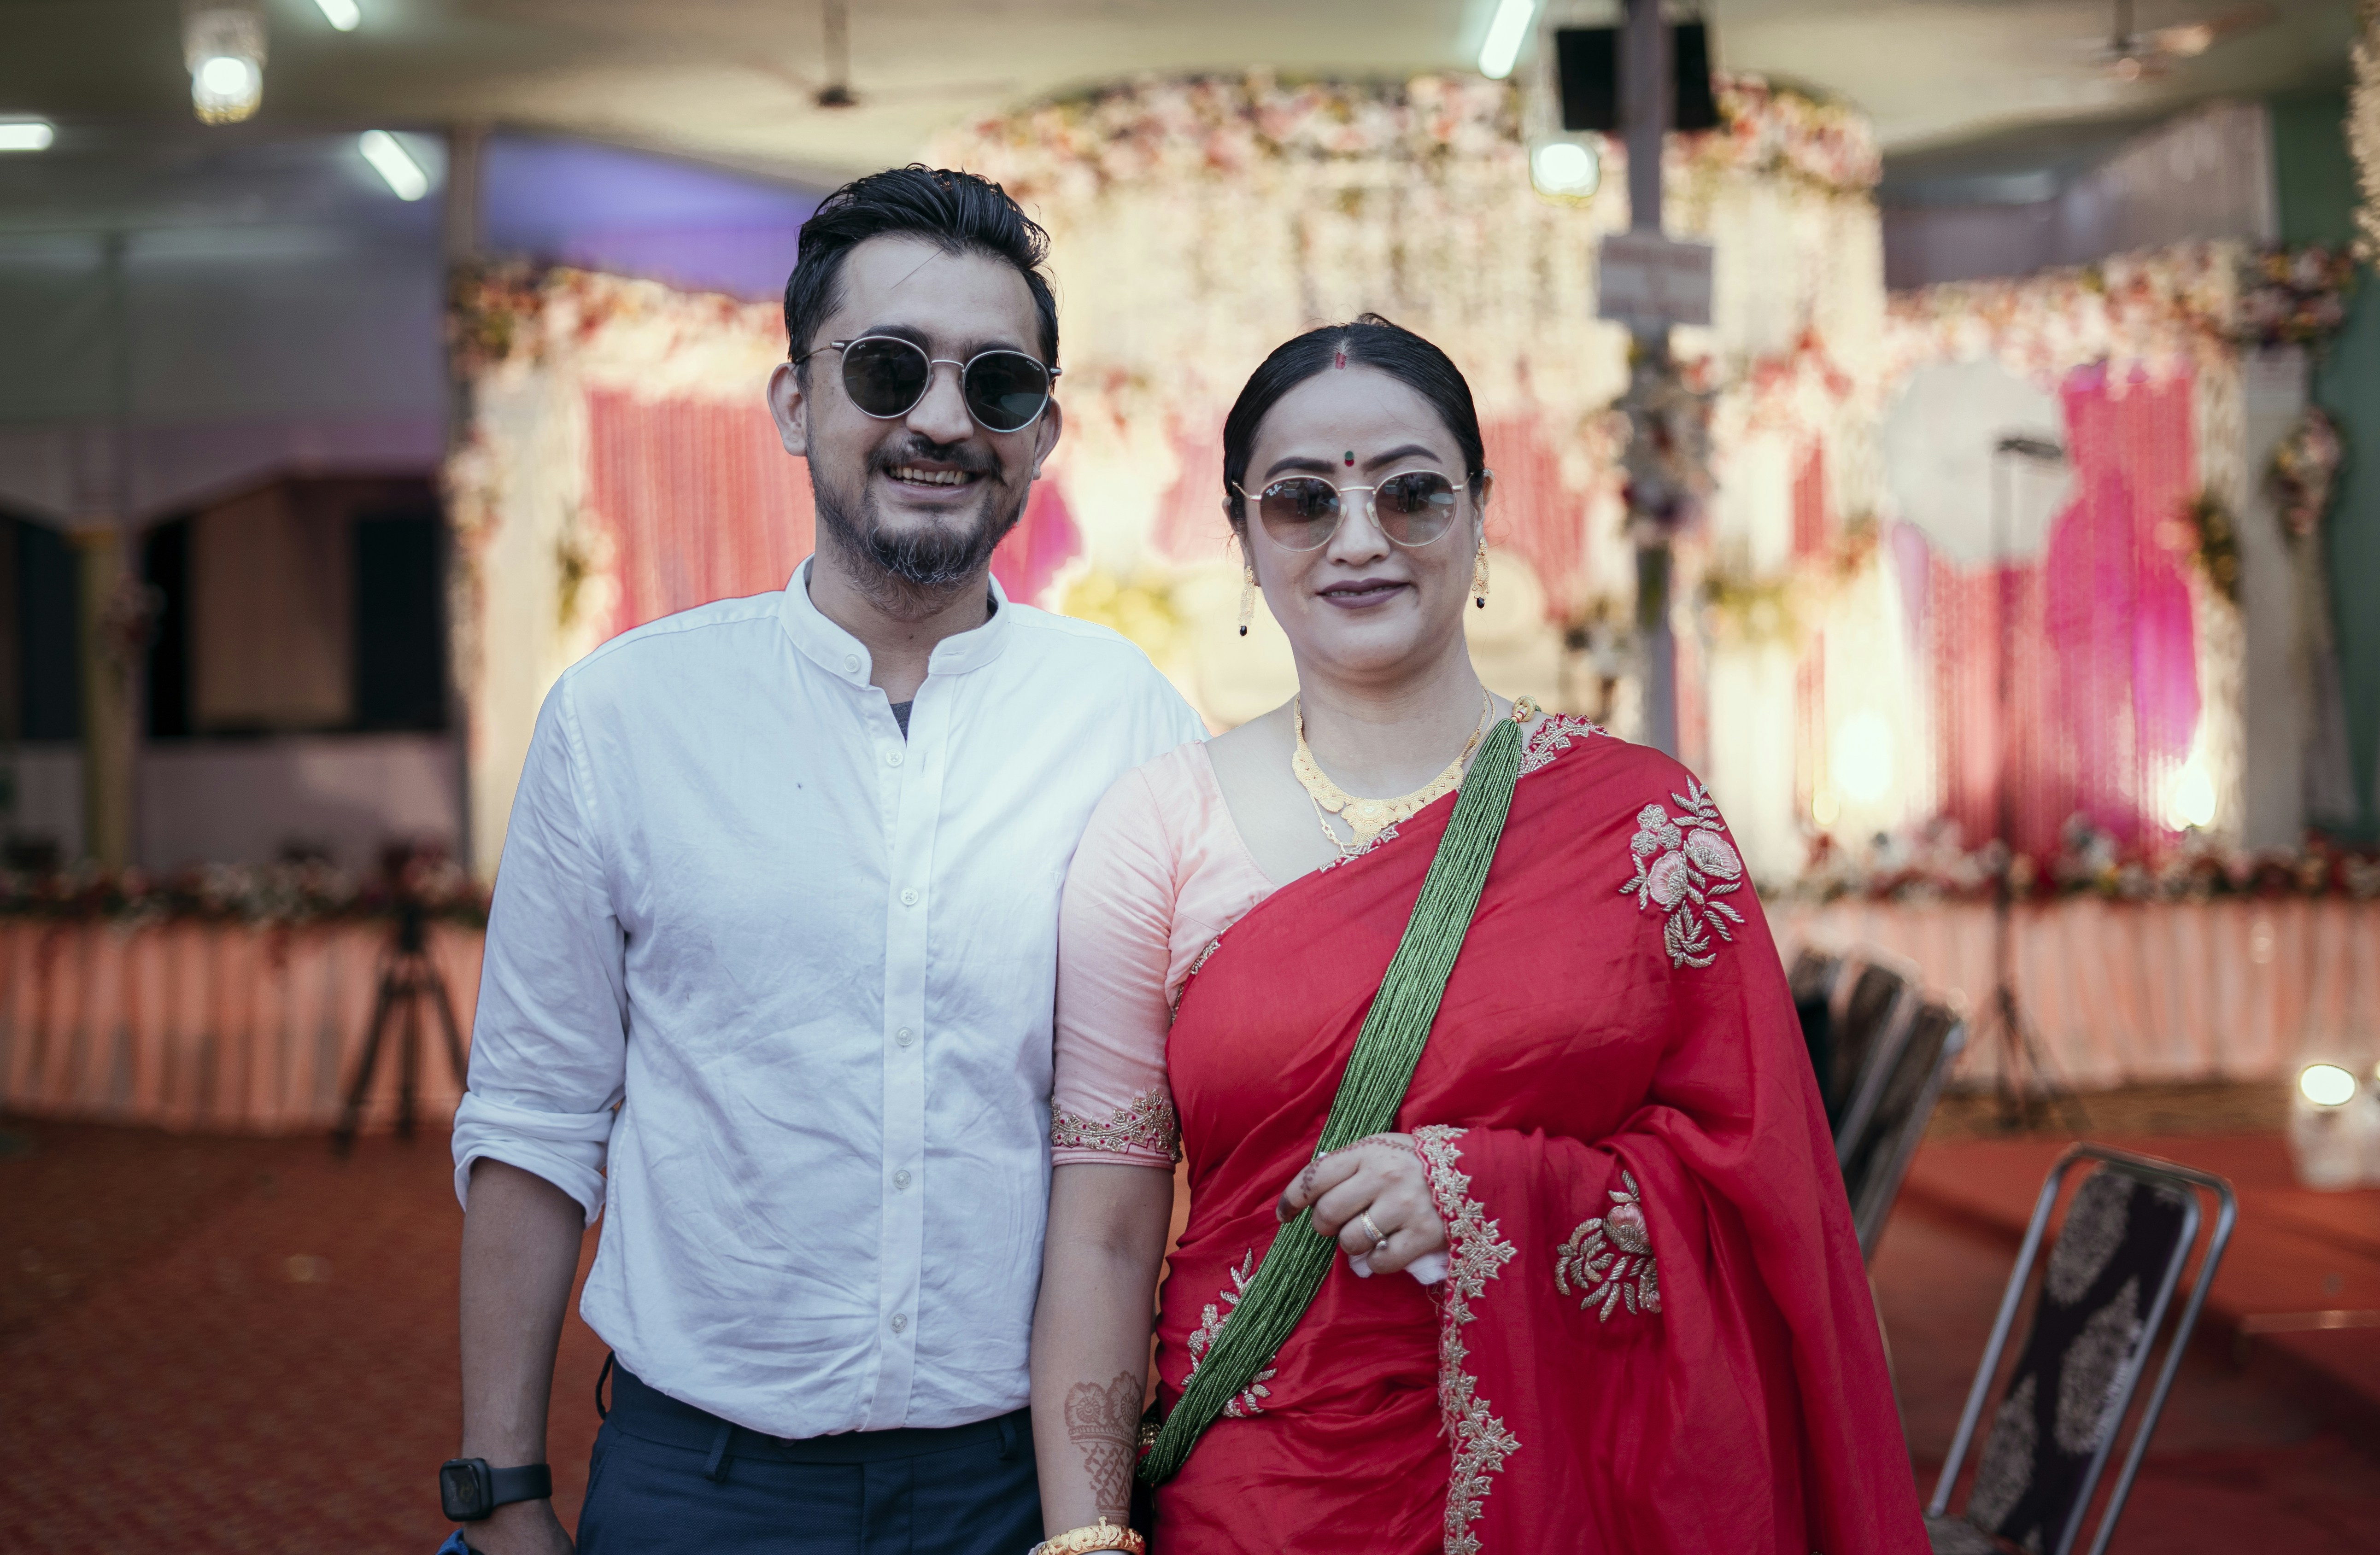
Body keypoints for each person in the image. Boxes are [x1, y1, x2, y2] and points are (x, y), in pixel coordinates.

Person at [1029, 316, 1927, 1555]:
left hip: (1585, 1488)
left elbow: (1763, 1194)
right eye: (1301, 502)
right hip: (1258, 1492)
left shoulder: (1644, 826)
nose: (1361, 540)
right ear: (1241, 535)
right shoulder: (1159, 825)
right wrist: (1084, 1542)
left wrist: (1486, 1190)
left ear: (1480, 512)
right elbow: (1106, 1226)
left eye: (1411, 494)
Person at [445, 166, 1206, 1555]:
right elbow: (537, 1116)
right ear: (796, 404)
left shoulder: (1127, 721)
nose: (939, 419)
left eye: (997, 384)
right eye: (887, 367)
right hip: (702, 1486)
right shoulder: (624, 717)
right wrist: (499, 1491)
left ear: (1041, 434)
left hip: (1021, 1482)